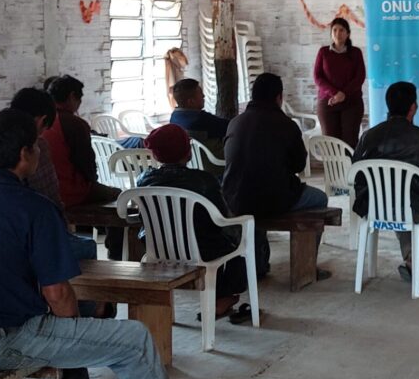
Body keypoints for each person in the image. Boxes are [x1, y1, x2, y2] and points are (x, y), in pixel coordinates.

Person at [0, 110, 217, 379]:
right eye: (36, 147)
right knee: (132, 339)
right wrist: (73, 329)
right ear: (23, 155)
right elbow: (58, 296)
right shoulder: (34, 208)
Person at [138, 125, 252, 323]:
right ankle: (223, 297)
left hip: (159, 249)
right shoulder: (204, 180)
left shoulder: (143, 181)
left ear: (156, 155)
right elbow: (222, 218)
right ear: (188, 152)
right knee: (243, 236)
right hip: (201, 250)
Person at [223, 73, 328, 279]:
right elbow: (298, 164)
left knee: (253, 201)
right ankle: (306, 265)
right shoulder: (286, 124)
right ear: (279, 97)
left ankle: (258, 264)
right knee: (320, 199)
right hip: (275, 199)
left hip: (233, 197)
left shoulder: (236, 122)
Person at [352, 82, 419, 283]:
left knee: (405, 201)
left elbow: (356, 173)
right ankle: (415, 261)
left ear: (388, 105)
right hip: (411, 209)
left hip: (373, 206)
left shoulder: (368, 136)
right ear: (413, 107)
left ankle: (414, 261)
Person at [42, 75, 121, 208]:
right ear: (72, 96)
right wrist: (94, 184)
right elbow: (85, 163)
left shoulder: (40, 120)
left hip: (43, 190)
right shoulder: (74, 124)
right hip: (68, 191)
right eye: (80, 98)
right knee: (119, 196)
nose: (79, 104)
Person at [313, 17, 366, 149]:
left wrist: (343, 94)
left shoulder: (355, 53)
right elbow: (317, 77)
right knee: (331, 145)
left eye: (341, 30)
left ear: (347, 33)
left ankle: (350, 170)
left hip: (352, 104)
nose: (338, 33)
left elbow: (360, 77)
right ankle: (334, 170)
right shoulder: (323, 52)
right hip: (328, 103)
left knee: (350, 144)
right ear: (331, 33)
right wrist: (336, 94)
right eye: (335, 30)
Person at [169, 78, 229, 157]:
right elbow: (232, 127)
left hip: (193, 163)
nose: (204, 95)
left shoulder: (174, 118)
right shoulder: (201, 119)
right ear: (191, 102)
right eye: (200, 93)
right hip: (217, 162)